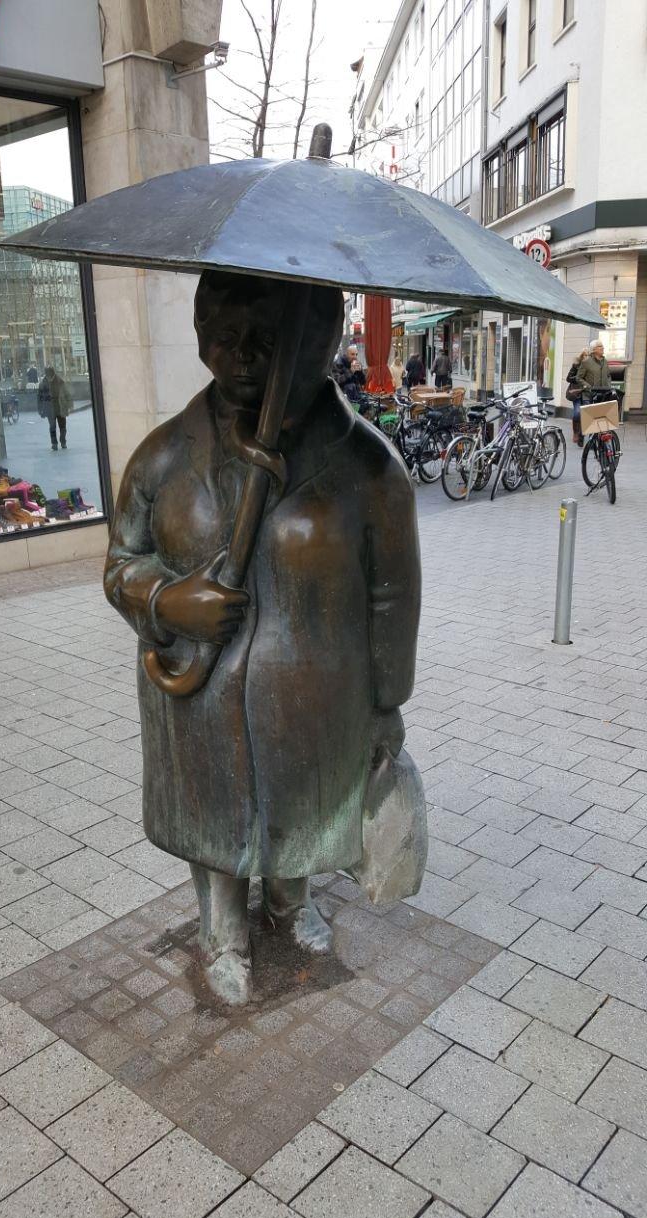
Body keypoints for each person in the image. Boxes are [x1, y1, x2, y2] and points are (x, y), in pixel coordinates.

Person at [104, 271, 420, 1005]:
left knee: (301, 803)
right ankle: (222, 929)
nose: (242, 359)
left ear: (318, 342)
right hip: (198, 689)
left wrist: (387, 700)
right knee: (212, 814)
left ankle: (290, 898)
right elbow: (122, 562)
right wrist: (167, 598)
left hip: (314, 689)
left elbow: (393, 595)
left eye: (266, 344)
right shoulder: (162, 456)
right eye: (225, 339)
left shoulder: (369, 469)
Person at [37, 366, 73, 450]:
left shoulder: (60, 382)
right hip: (50, 409)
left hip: (61, 407)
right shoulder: (43, 384)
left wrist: (70, 405)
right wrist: (40, 409)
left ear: (53, 374)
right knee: (52, 427)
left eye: (50, 376)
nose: (49, 378)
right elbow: (39, 398)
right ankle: (54, 443)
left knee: (62, 427)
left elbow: (67, 393)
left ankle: (63, 441)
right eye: (47, 376)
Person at [566, 347, 589, 445]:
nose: (586, 358)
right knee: (577, 413)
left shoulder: (592, 367)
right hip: (577, 394)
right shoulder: (576, 366)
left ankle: (581, 435)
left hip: (587, 393)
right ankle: (576, 432)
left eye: (588, 356)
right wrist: (579, 378)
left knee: (586, 416)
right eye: (585, 355)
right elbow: (568, 378)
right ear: (581, 356)